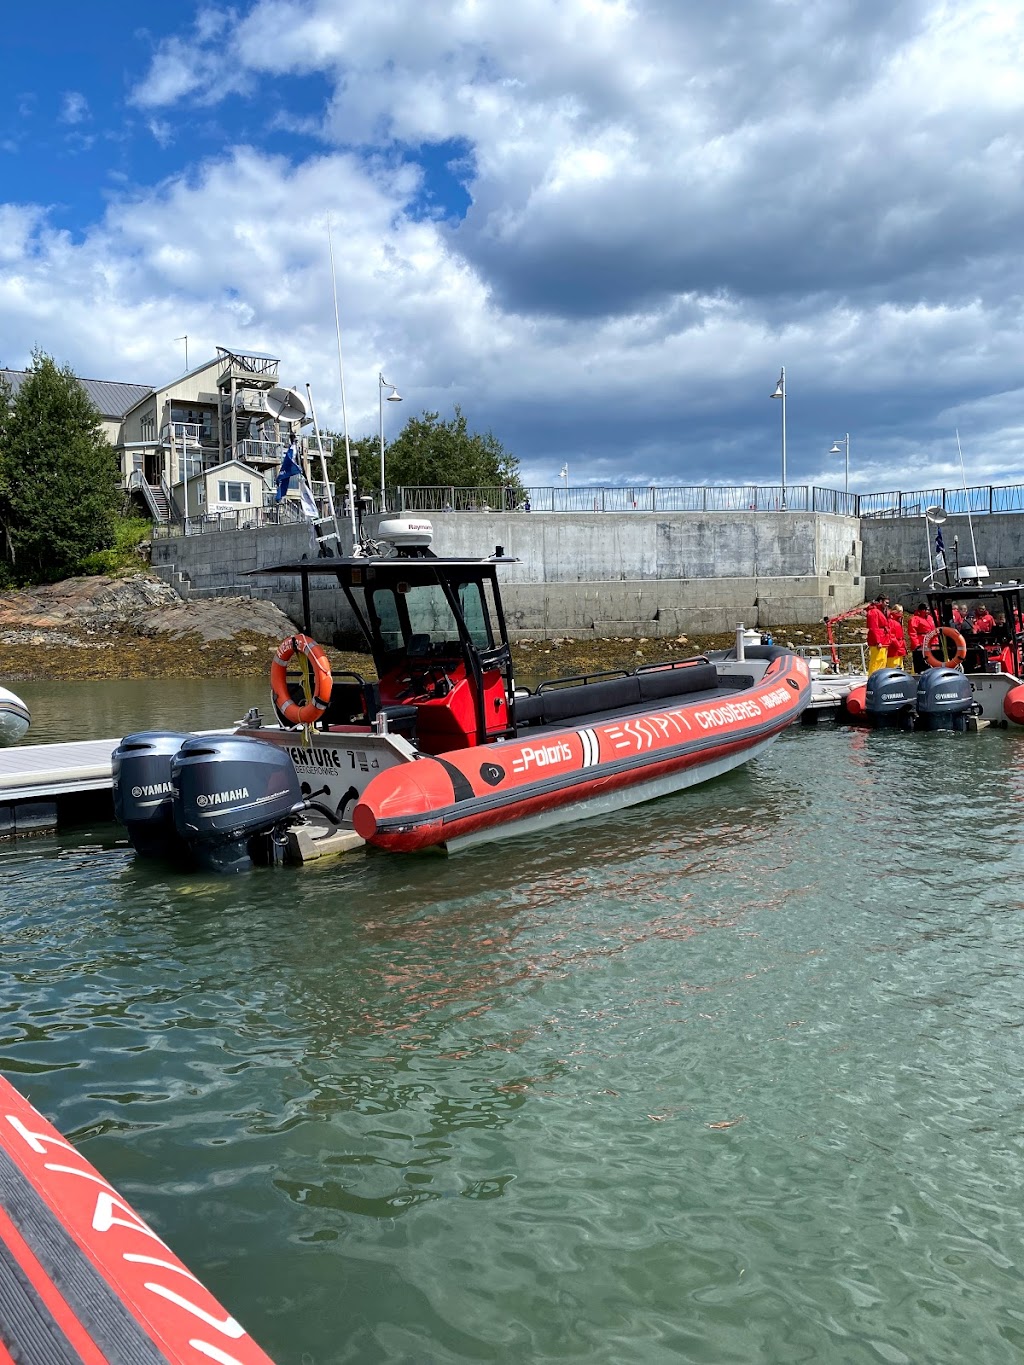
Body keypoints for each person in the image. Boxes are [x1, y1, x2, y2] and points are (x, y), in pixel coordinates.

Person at [908, 601, 935, 673]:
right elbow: (912, 632)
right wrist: (916, 644)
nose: (928, 611)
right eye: (926, 610)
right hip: (921, 642)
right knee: (921, 662)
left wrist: (936, 642)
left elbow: (933, 630)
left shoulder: (930, 618)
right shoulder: (915, 619)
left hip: (931, 642)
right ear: (922, 610)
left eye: (928, 610)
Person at [866, 594, 890, 674]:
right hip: (879, 640)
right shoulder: (874, 612)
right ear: (880, 601)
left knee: (882, 661)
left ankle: (878, 679)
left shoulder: (879, 611)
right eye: (886, 603)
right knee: (876, 661)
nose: (887, 605)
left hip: (883, 639)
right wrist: (878, 641)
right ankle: (873, 679)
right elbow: (873, 627)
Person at [886, 603, 907, 671]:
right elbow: (891, 636)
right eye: (901, 611)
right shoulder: (891, 621)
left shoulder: (898, 621)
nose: (902, 613)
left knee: (900, 667)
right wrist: (898, 645)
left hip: (899, 648)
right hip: (894, 649)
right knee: (893, 668)